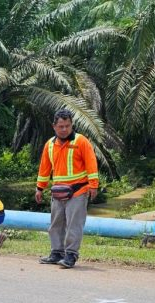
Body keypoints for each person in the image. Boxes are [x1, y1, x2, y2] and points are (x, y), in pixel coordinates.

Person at [34, 109, 99, 268]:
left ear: (72, 125)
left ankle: (70, 255)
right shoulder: (50, 145)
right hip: (58, 191)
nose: (64, 129)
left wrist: (93, 185)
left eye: (67, 126)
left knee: (73, 224)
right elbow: (44, 168)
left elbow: (91, 163)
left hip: (79, 190)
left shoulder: (81, 141)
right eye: (61, 126)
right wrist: (39, 188)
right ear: (54, 127)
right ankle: (56, 253)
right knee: (56, 223)